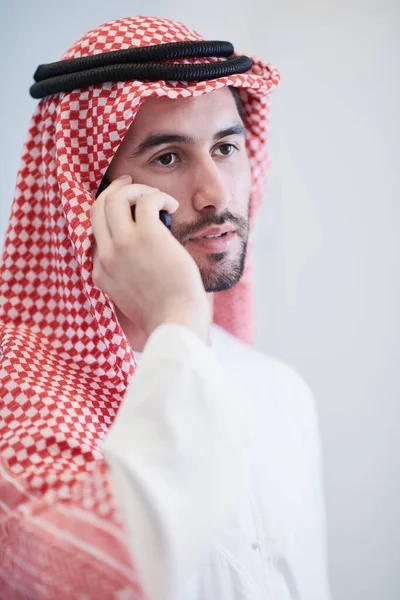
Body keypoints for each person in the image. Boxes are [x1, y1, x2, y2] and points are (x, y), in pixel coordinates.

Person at [0, 15, 331, 600]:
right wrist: (178, 314)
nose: (217, 193)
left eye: (226, 147)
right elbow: (103, 575)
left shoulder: (280, 391)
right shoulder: (20, 394)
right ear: (90, 197)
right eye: (168, 159)